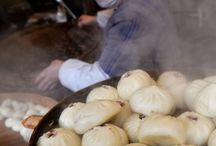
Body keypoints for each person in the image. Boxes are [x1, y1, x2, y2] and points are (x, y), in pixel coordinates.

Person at [34, 0, 179, 92]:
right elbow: (125, 12)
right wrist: (98, 18)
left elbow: (102, 80)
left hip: (152, 91)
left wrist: (61, 69)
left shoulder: (131, 19)